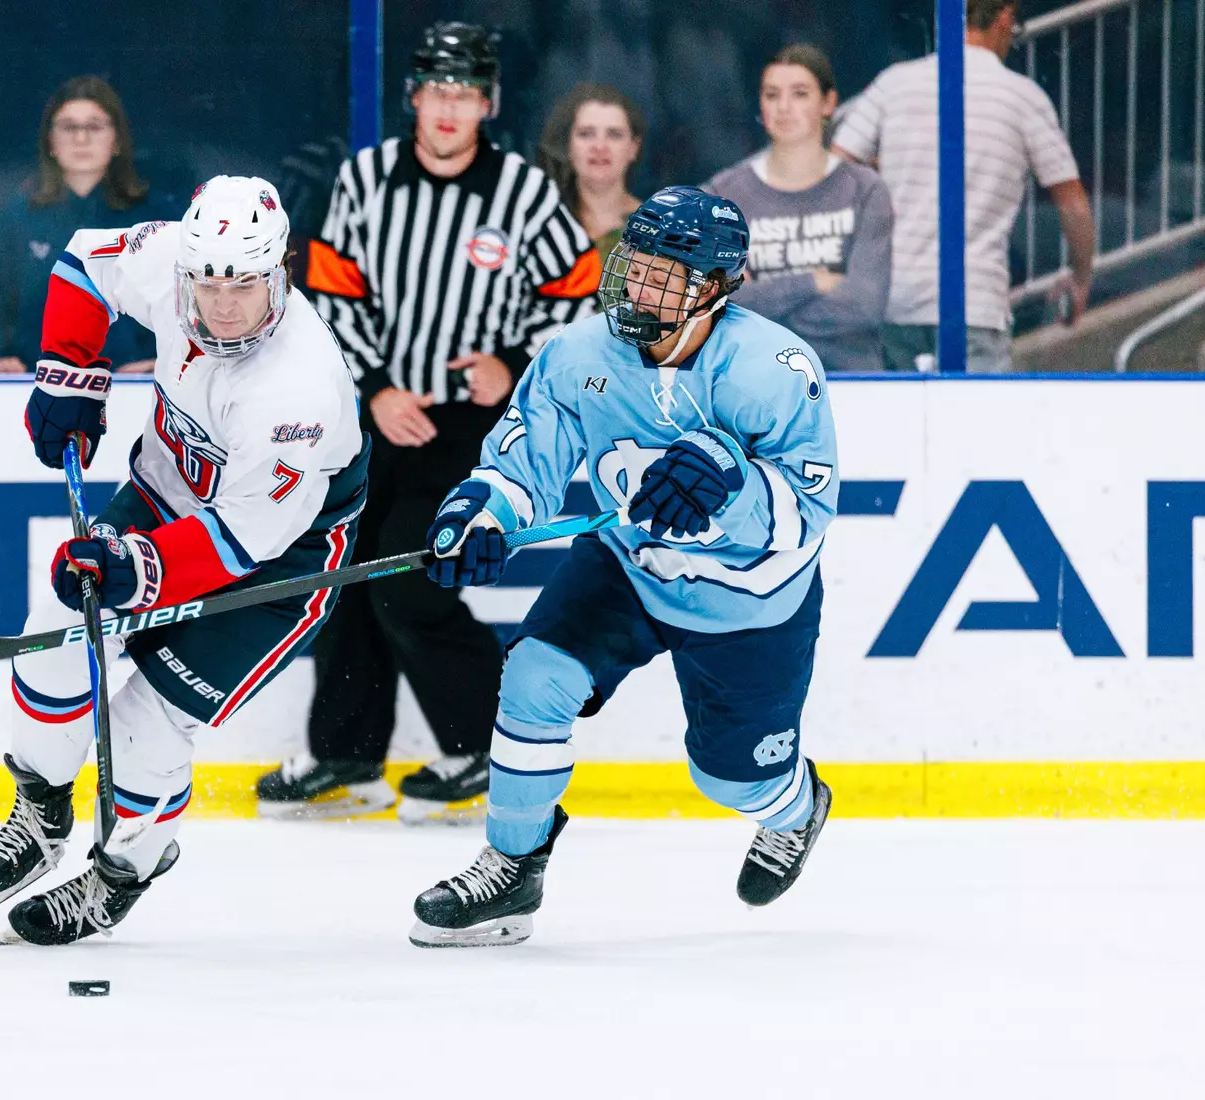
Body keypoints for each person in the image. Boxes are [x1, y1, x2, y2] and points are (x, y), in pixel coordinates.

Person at [407, 186, 838, 948]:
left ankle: (793, 805)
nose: (638, 286)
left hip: (746, 597)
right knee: (535, 677)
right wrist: (482, 512)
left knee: (730, 780)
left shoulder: (772, 368)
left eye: (663, 276)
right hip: (627, 567)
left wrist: (729, 484)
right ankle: (511, 867)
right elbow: (524, 462)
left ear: (712, 288)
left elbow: (805, 520)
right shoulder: (577, 354)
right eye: (634, 265)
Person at [0, 176, 368, 946]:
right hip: (165, 495)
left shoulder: (299, 392)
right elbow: (86, 263)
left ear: (280, 268)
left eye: (244, 283)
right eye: (208, 281)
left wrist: (132, 570)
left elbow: (243, 539)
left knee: (148, 723)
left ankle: (124, 871)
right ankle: (43, 807)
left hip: (282, 562)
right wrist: (69, 376)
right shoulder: (169, 261)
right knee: (54, 633)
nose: (221, 304)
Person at [256, 21, 600, 825]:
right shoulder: (364, 179)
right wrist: (375, 388)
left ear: (488, 104)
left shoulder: (521, 191)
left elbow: (576, 295)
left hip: (470, 431)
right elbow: (333, 296)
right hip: (373, 419)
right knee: (345, 581)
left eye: (466, 93)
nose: (449, 109)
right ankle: (346, 756)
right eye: (437, 91)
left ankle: (487, 745)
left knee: (409, 582)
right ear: (414, 96)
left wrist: (511, 362)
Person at [832, 0, 1094, 373]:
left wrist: (887, 166)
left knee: (899, 429)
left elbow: (835, 169)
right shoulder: (1022, 97)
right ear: (1004, 17)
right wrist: (1081, 276)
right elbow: (1072, 204)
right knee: (975, 429)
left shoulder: (895, 84)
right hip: (975, 304)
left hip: (895, 300)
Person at [704, 45, 892, 374]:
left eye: (800, 94)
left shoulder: (865, 189)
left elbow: (865, 305)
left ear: (829, 103)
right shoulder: (723, 196)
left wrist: (757, 297)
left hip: (856, 385)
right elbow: (715, 305)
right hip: (753, 380)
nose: (784, 108)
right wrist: (813, 282)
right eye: (772, 95)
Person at [0, 76, 164, 376]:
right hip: (37, 394)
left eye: (95, 126)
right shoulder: (17, 220)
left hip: (136, 394)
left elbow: (187, 304)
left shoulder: (157, 221)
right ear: (50, 141)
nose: (81, 139)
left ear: (118, 140)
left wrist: (161, 362)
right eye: (69, 127)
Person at [536, 82, 647, 266]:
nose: (599, 146)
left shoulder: (659, 230)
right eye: (586, 134)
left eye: (614, 134)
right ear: (568, 146)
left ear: (633, 148)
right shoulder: (541, 225)